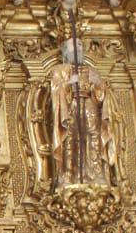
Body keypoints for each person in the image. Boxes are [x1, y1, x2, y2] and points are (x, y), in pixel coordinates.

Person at [49, 39, 117, 187]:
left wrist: (97, 84)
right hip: (70, 107)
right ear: (66, 51)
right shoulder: (59, 70)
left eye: (80, 45)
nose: (78, 48)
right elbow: (55, 91)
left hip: (89, 106)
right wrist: (68, 84)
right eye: (74, 45)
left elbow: (101, 95)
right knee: (70, 138)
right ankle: (68, 174)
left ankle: (95, 173)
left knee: (93, 137)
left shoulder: (91, 71)